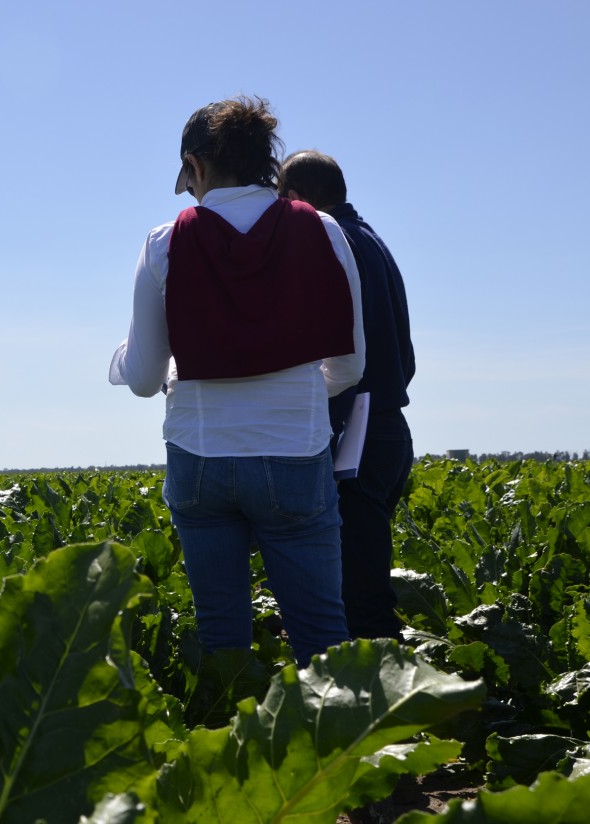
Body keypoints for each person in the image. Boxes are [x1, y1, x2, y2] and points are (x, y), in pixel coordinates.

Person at [109, 97, 365, 667]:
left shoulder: (164, 242)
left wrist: (122, 361)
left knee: (222, 634)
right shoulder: (322, 230)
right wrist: (289, 387)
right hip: (295, 452)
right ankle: (337, 748)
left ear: (195, 167)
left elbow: (146, 378)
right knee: (321, 633)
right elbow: (349, 367)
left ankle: (226, 744)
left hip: (199, 455)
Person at [278, 149, 416, 641]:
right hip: (389, 428)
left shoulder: (336, 245)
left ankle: (385, 709)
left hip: (360, 435)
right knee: (360, 585)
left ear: (295, 199)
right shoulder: (371, 240)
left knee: (361, 601)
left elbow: (339, 362)